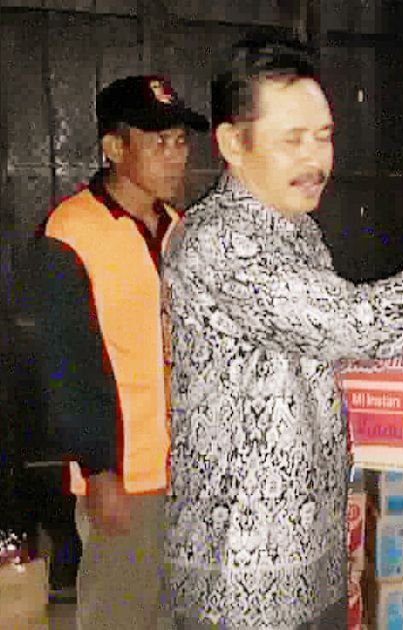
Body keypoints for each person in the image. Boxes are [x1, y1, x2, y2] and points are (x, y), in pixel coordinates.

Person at [161, 34, 403, 629]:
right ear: (232, 144)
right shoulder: (217, 239)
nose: (317, 159)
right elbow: (353, 325)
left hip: (310, 544)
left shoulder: (295, 230)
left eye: (323, 136)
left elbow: (333, 351)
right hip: (242, 565)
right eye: (293, 139)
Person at [32, 76, 208, 629]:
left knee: (176, 613)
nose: (176, 156)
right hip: (124, 476)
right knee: (120, 613)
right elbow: (67, 363)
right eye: (158, 142)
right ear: (114, 147)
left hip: (189, 469)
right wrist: (99, 471)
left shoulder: (181, 230)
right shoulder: (72, 231)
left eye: (180, 141)